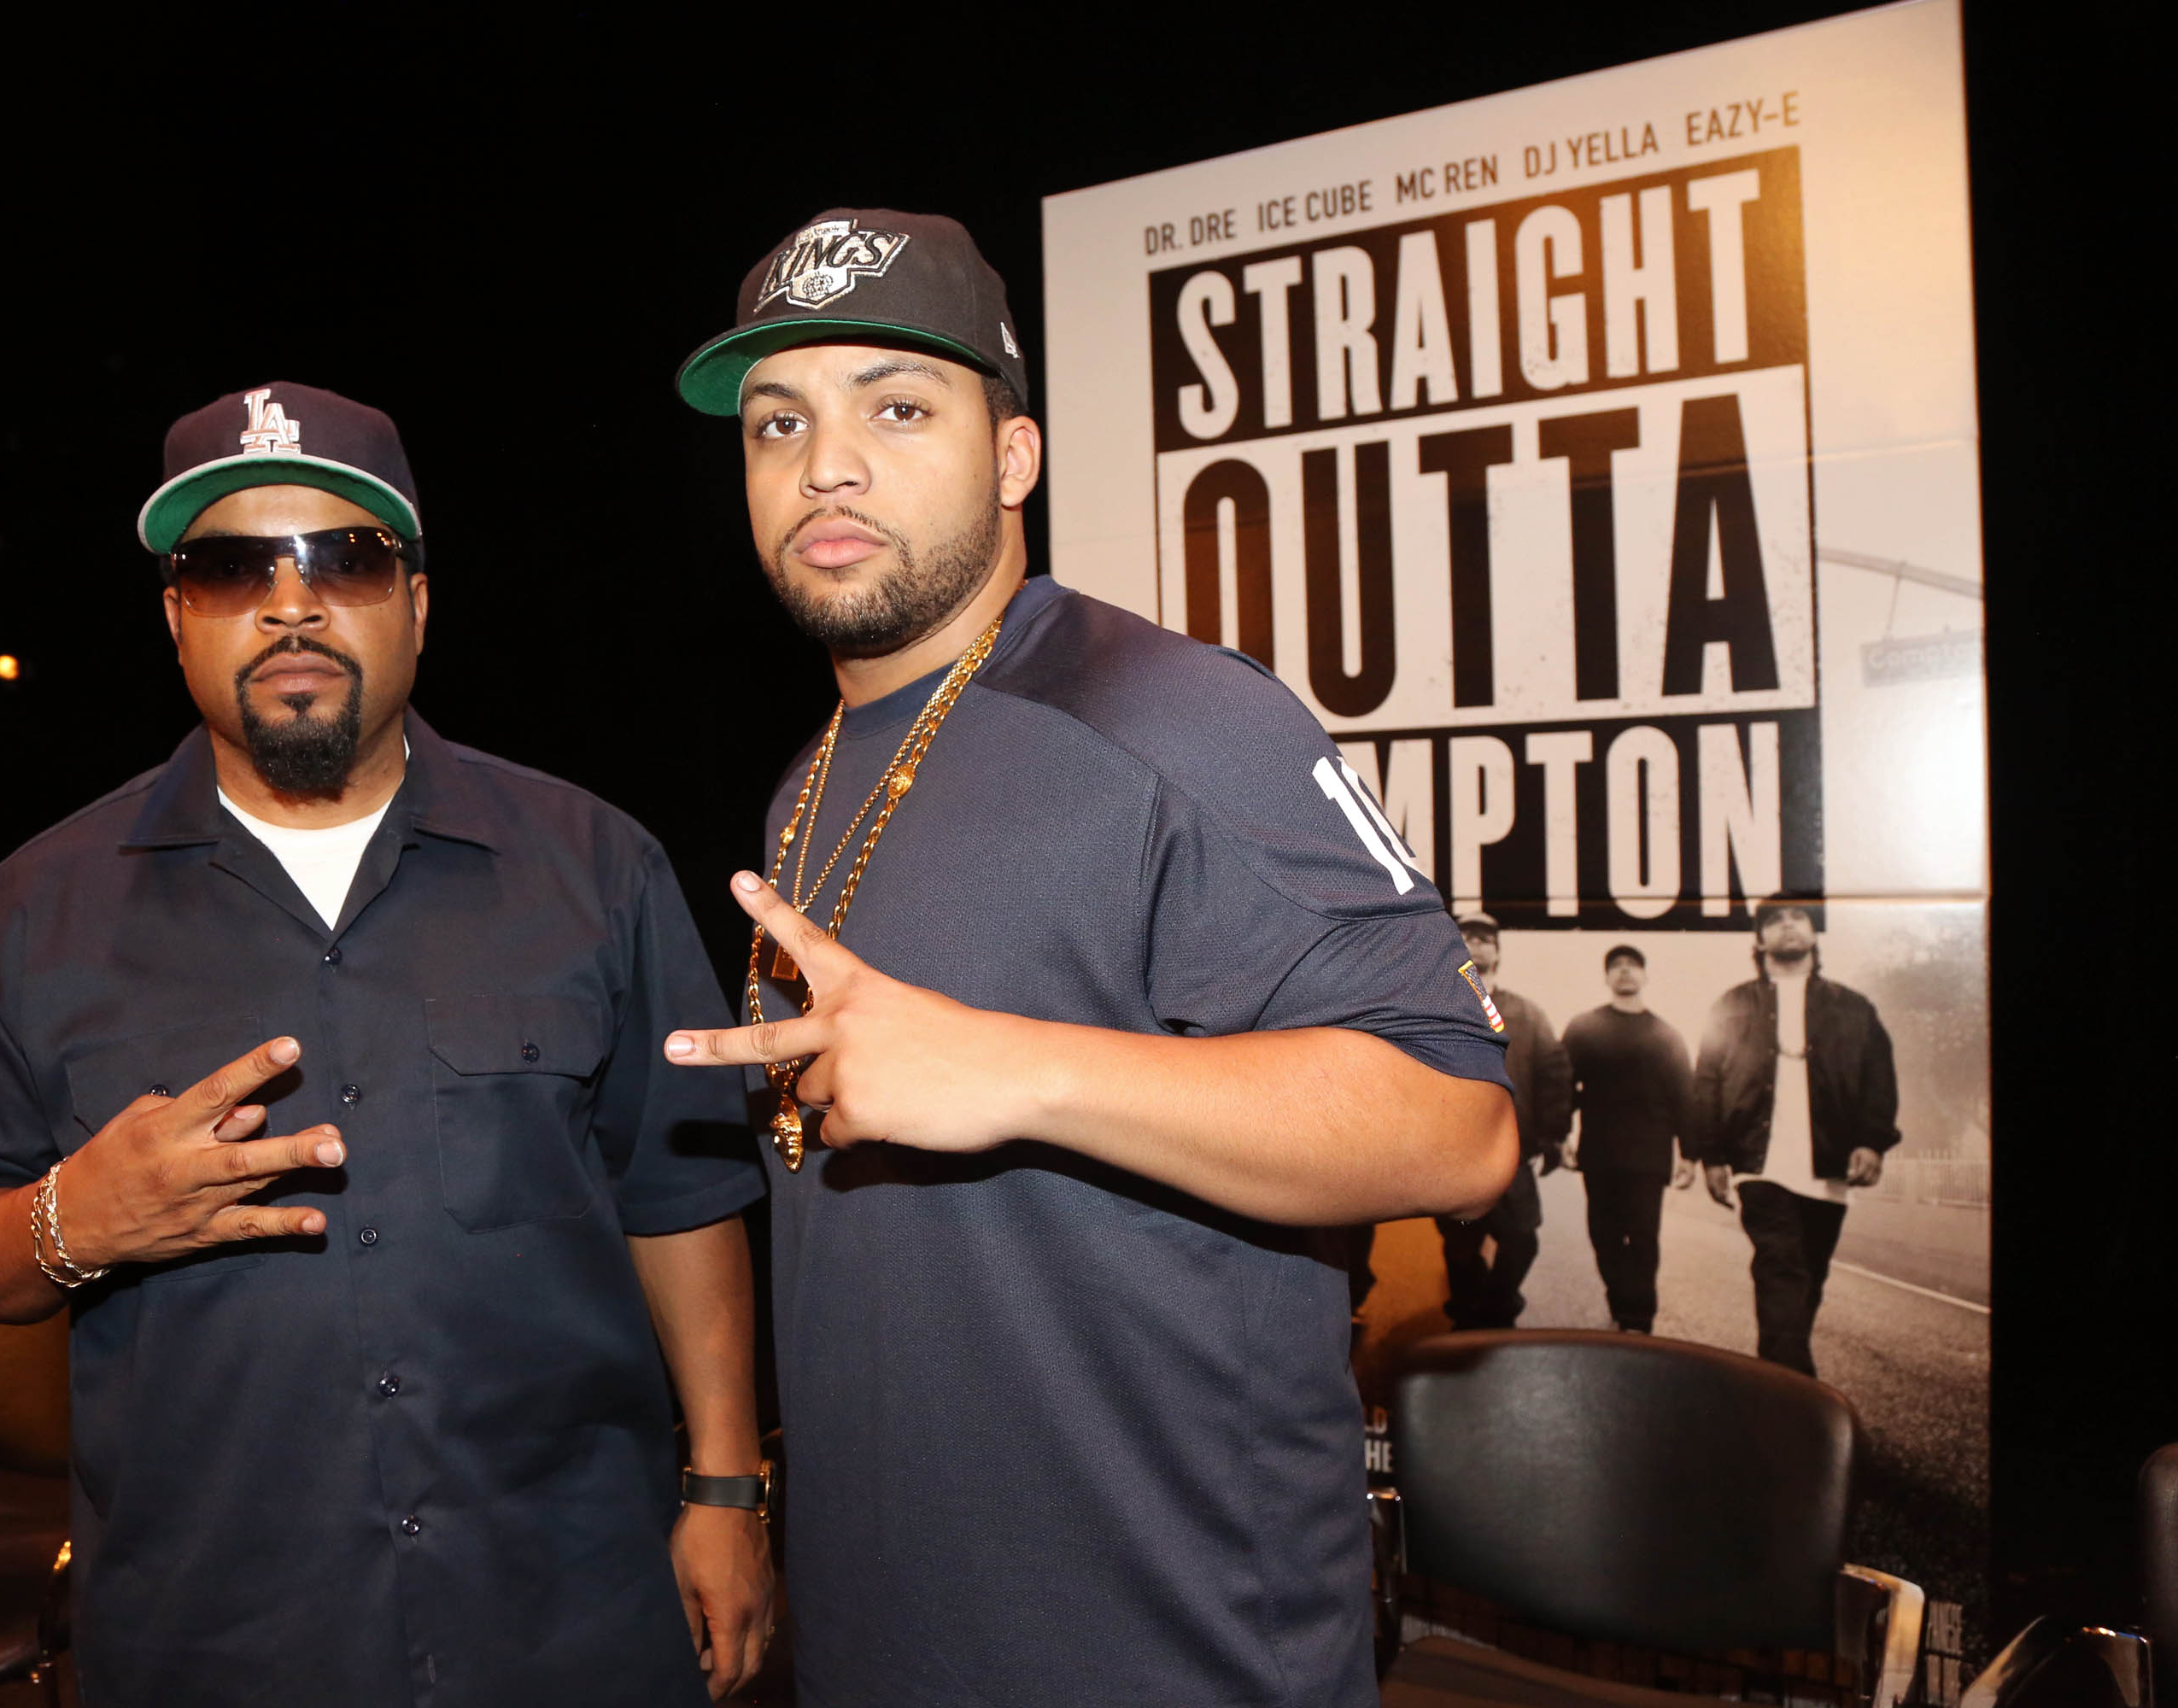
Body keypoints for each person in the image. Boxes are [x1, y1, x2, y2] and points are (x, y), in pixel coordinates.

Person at [661, 209, 1519, 1708]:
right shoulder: (811, 779)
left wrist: (1019, 1068)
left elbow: (1457, 1126)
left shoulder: (1174, 719)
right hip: (888, 1641)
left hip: (1164, 1653)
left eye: (900, 407)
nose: (826, 464)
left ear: (1014, 460)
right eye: (776, 423)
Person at [0, 383, 773, 1706]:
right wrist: (77, 1218)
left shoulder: (595, 867)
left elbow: (680, 1200)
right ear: (177, 618)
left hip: (571, 1611)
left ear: (415, 601)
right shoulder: (24, 919)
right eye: (231, 570)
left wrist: (727, 1491)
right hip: (218, 1639)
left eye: (343, 559)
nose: (291, 606)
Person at [1692, 898, 1900, 1374]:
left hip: (1828, 1168)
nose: (1787, 926)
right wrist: (1712, 1156)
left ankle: (1784, 1378)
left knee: (1809, 1277)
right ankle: (1790, 1394)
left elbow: (1878, 1078)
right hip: (1758, 1164)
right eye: (1774, 920)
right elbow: (1705, 1081)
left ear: (1814, 934)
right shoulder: (1733, 1004)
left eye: (1798, 918)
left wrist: (1871, 1141)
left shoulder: (1853, 1008)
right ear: (1759, 939)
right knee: (1780, 1267)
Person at [1437, 912, 1571, 1330]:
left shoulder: (1528, 1013)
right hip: (1454, 1153)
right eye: (1468, 936)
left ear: (1497, 951)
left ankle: (1493, 1310)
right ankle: (1466, 1316)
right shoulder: (1434, 1005)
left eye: (1485, 938)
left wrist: (1554, 1136)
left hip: (1512, 1150)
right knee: (1460, 1245)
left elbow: (1555, 1072)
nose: (1476, 944)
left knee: (1523, 1239)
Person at [1561, 944, 1695, 1333]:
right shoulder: (1584, 1028)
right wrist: (1562, 1135)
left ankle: (1638, 1319)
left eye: (1633, 965)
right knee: (1603, 1236)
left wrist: (1690, 1153)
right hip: (1599, 1152)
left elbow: (1685, 1095)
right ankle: (1622, 1305)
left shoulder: (1666, 1034)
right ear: (1606, 977)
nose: (1624, 972)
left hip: (1649, 1156)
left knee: (1642, 1236)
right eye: (1616, 966)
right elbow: (1563, 1085)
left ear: (1645, 976)